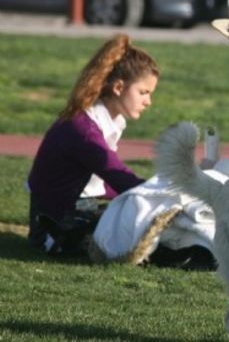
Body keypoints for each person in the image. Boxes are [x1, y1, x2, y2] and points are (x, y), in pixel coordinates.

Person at [26, 34, 159, 255]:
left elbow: (104, 183)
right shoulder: (85, 129)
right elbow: (116, 174)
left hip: (72, 207)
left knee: (133, 219)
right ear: (118, 88)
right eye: (143, 92)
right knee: (136, 233)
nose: (148, 101)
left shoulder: (106, 120)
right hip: (52, 226)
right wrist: (160, 194)